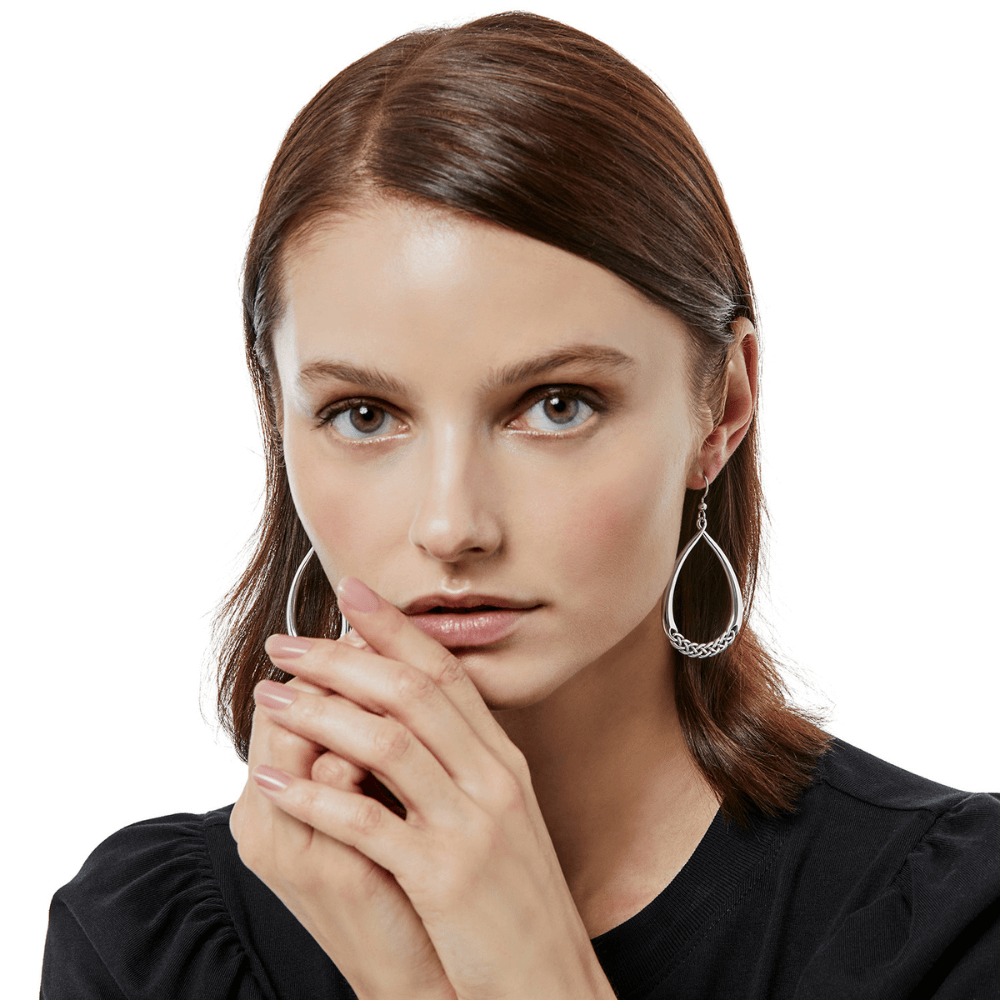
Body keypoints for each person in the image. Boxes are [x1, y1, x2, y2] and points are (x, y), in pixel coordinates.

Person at [40, 11, 1000, 999]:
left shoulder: (954, 926)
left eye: (556, 405)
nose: (452, 526)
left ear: (722, 407)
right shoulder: (147, 946)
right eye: (364, 414)